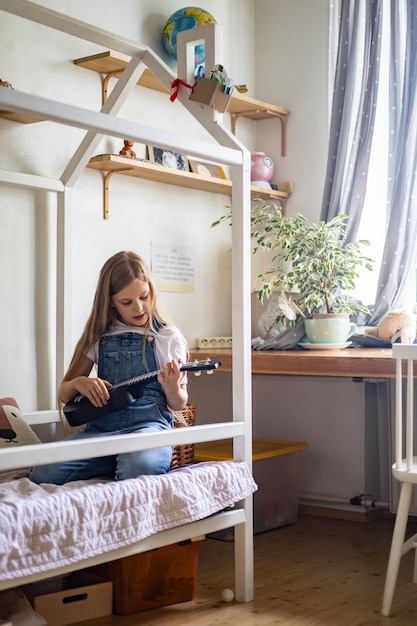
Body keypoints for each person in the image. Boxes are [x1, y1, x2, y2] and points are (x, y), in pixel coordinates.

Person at [30, 251, 188, 485]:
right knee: (43, 471)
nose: (139, 308)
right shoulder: (99, 336)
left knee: (140, 466)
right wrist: (79, 383)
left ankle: (124, 459)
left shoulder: (166, 336)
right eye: (127, 302)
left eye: (144, 296)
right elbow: (65, 394)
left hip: (148, 427)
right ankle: (112, 459)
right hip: (101, 431)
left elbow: (179, 403)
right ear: (111, 301)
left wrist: (173, 388)